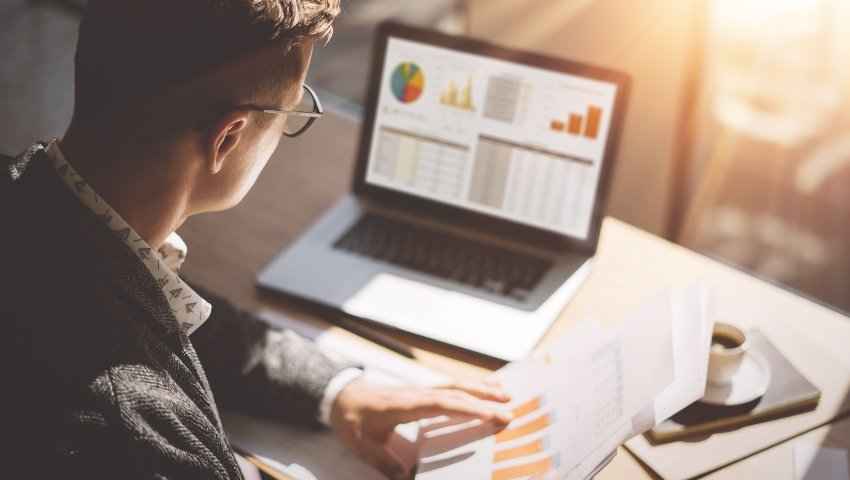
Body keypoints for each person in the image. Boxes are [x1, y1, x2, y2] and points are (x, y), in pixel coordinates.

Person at [0, 1, 513, 479]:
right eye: (293, 112)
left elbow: (149, 306)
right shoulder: (137, 435)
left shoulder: (32, 205)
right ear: (228, 139)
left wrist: (337, 391)